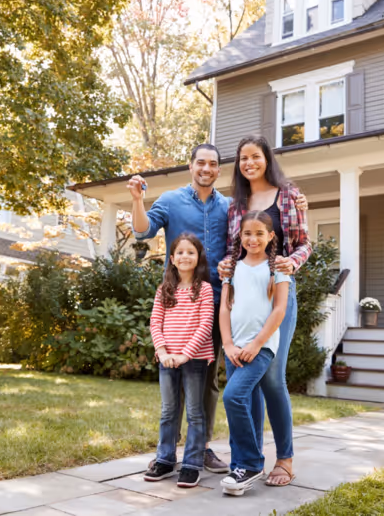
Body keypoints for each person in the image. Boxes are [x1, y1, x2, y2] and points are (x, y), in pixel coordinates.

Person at [128, 143, 308, 473]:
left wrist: (297, 223)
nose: (206, 169)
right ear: (190, 165)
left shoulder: (238, 204)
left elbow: (288, 240)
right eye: (201, 163)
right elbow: (142, 230)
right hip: (192, 302)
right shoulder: (178, 201)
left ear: (220, 169)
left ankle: (208, 448)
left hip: (237, 299)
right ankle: (171, 453)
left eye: (213, 163)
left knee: (216, 380)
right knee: (183, 379)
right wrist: (138, 200)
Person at [218, 134, 312, 487]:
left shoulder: (288, 194)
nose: (249, 163)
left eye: (255, 156)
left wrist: (291, 262)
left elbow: (304, 244)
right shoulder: (235, 203)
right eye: (243, 158)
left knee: (272, 378)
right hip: (244, 294)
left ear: (266, 158)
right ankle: (250, 460)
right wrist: (226, 268)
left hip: (277, 290)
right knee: (248, 380)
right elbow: (233, 249)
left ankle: (285, 460)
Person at [219, 210, 290, 496]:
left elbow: (280, 310)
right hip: (234, 347)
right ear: (240, 235)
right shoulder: (231, 269)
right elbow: (225, 308)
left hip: (259, 348)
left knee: (233, 396)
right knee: (242, 402)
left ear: (271, 236)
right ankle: (240, 468)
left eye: (260, 233)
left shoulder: (278, 269)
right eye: (247, 233)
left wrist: (257, 343)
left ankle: (250, 463)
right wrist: (228, 345)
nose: (253, 238)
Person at [144, 233, 215, 488]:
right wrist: (162, 352)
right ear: (172, 259)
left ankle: (192, 464)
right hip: (167, 359)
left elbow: (206, 324)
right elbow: (155, 322)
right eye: (180, 252)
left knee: (195, 412)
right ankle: (164, 459)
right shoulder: (165, 289)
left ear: (198, 258)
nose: (185, 256)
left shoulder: (204, 289)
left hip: (194, 359)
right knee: (168, 411)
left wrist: (186, 353)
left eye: (191, 252)